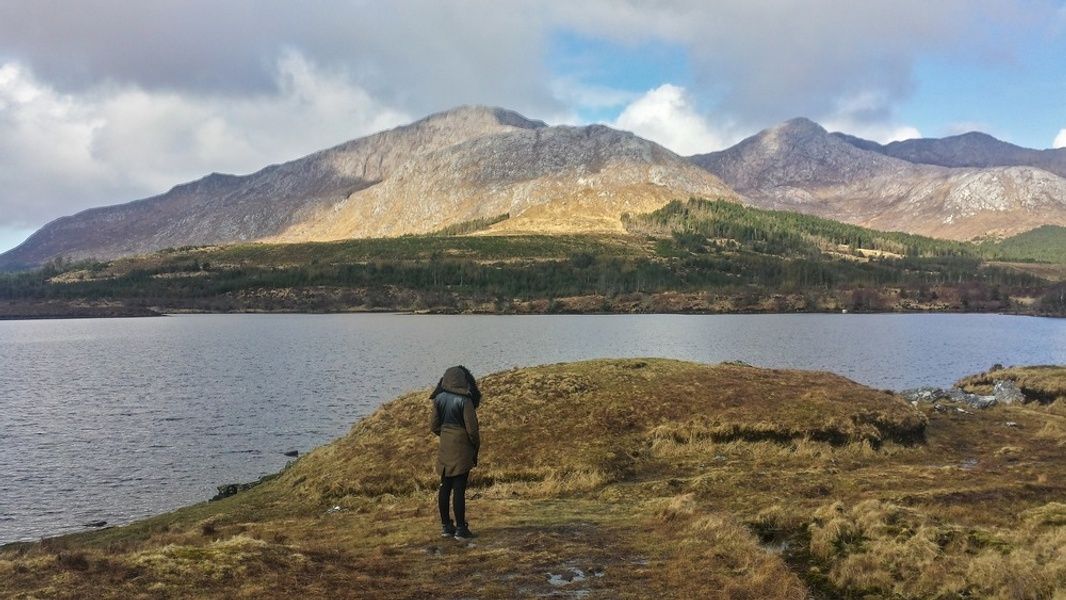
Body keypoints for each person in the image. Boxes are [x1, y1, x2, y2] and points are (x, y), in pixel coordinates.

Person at [430, 365, 481, 539]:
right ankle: (461, 528)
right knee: (459, 487)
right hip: (461, 447)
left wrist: (445, 434)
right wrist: (474, 445)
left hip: (445, 446)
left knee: (445, 485)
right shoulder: (465, 400)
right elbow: (472, 430)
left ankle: (446, 526)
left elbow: (433, 426)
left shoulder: (438, 398)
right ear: (462, 380)